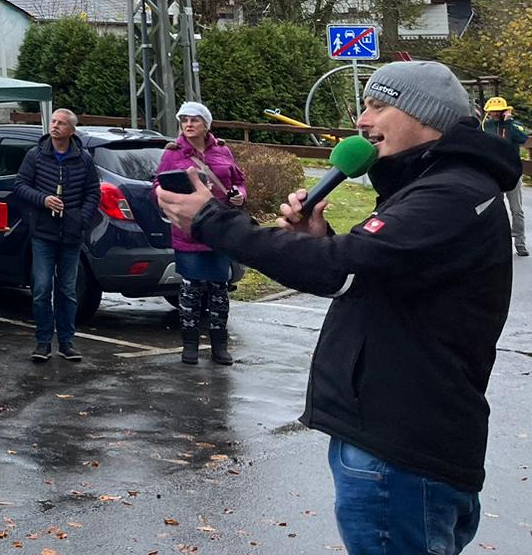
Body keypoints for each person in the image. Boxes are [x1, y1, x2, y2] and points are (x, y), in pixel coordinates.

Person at [157, 61, 519, 555]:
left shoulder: (451, 192)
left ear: (425, 115)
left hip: (402, 445)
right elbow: (367, 275)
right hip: (398, 436)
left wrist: (213, 222)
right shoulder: (438, 185)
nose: (362, 121)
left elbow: (342, 267)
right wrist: (320, 238)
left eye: (377, 105)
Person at [155, 101, 246, 365]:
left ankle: (220, 345)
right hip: (189, 230)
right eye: (184, 121)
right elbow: (158, 185)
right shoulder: (173, 154)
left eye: (194, 120)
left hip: (219, 229)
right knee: (190, 289)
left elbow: (239, 181)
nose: (188, 125)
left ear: (206, 124)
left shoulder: (222, 151)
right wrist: (168, 201)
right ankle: (190, 345)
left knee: (219, 290)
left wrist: (239, 195)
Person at [13, 109, 101, 363]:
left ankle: (66, 341)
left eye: (61, 123)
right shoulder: (36, 155)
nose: (55, 126)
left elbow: (93, 193)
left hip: (71, 235)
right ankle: (42, 342)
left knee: (67, 290)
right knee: (41, 288)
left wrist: (80, 219)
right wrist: (43, 200)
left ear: (71, 130)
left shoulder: (83, 159)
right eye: (53, 121)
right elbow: (20, 185)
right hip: (42, 233)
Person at [481, 96, 529, 256]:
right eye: (492, 112)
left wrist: (509, 122)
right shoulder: (485, 126)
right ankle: (496, 240)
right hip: (493, 172)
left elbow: (523, 138)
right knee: (494, 207)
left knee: (516, 209)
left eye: (497, 111)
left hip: (512, 172)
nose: (494, 114)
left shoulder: (514, 126)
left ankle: (520, 242)